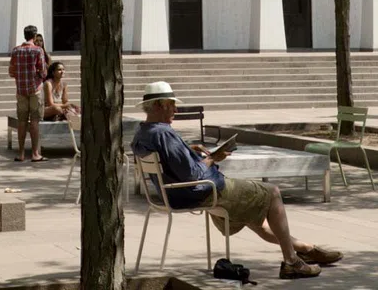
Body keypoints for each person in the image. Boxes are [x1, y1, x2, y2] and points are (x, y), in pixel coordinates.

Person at [131, 81, 343, 280]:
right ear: (159, 105)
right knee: (272, 193)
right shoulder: (164, 133)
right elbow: (191, 174)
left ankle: (307, 249)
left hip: (176, 194)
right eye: (172, 105)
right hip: (202, 191)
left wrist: (189, 149)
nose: (175, 110)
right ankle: (292, 262)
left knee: (257, 218)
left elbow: (172, 160)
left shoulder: (143, 132)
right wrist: (213, 158)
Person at [9, 25, 48, 162]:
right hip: (35, 89)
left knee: (21, 121)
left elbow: (11, 72)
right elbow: (43, 72)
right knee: (35, 122)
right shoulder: (38, 51)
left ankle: (20, 154)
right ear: (35, 35)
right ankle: (35, 153)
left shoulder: (16, 51)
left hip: (20, 90)